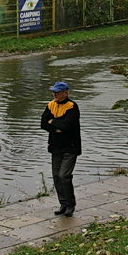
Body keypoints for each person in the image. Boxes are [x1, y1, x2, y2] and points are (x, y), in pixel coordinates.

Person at [40, 81, 81, 217]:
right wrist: (56, 126)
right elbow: (43, 123)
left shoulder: (72, 107)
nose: (55, 94)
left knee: (64, 175)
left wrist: (53, 122)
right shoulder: (50, 105)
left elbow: (67, 126)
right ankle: (63, 204)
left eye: (57, 92)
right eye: (54, 92)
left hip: (70, 147)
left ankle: (70, 204)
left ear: (66, 93)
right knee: (57, 176)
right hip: (55, 147)